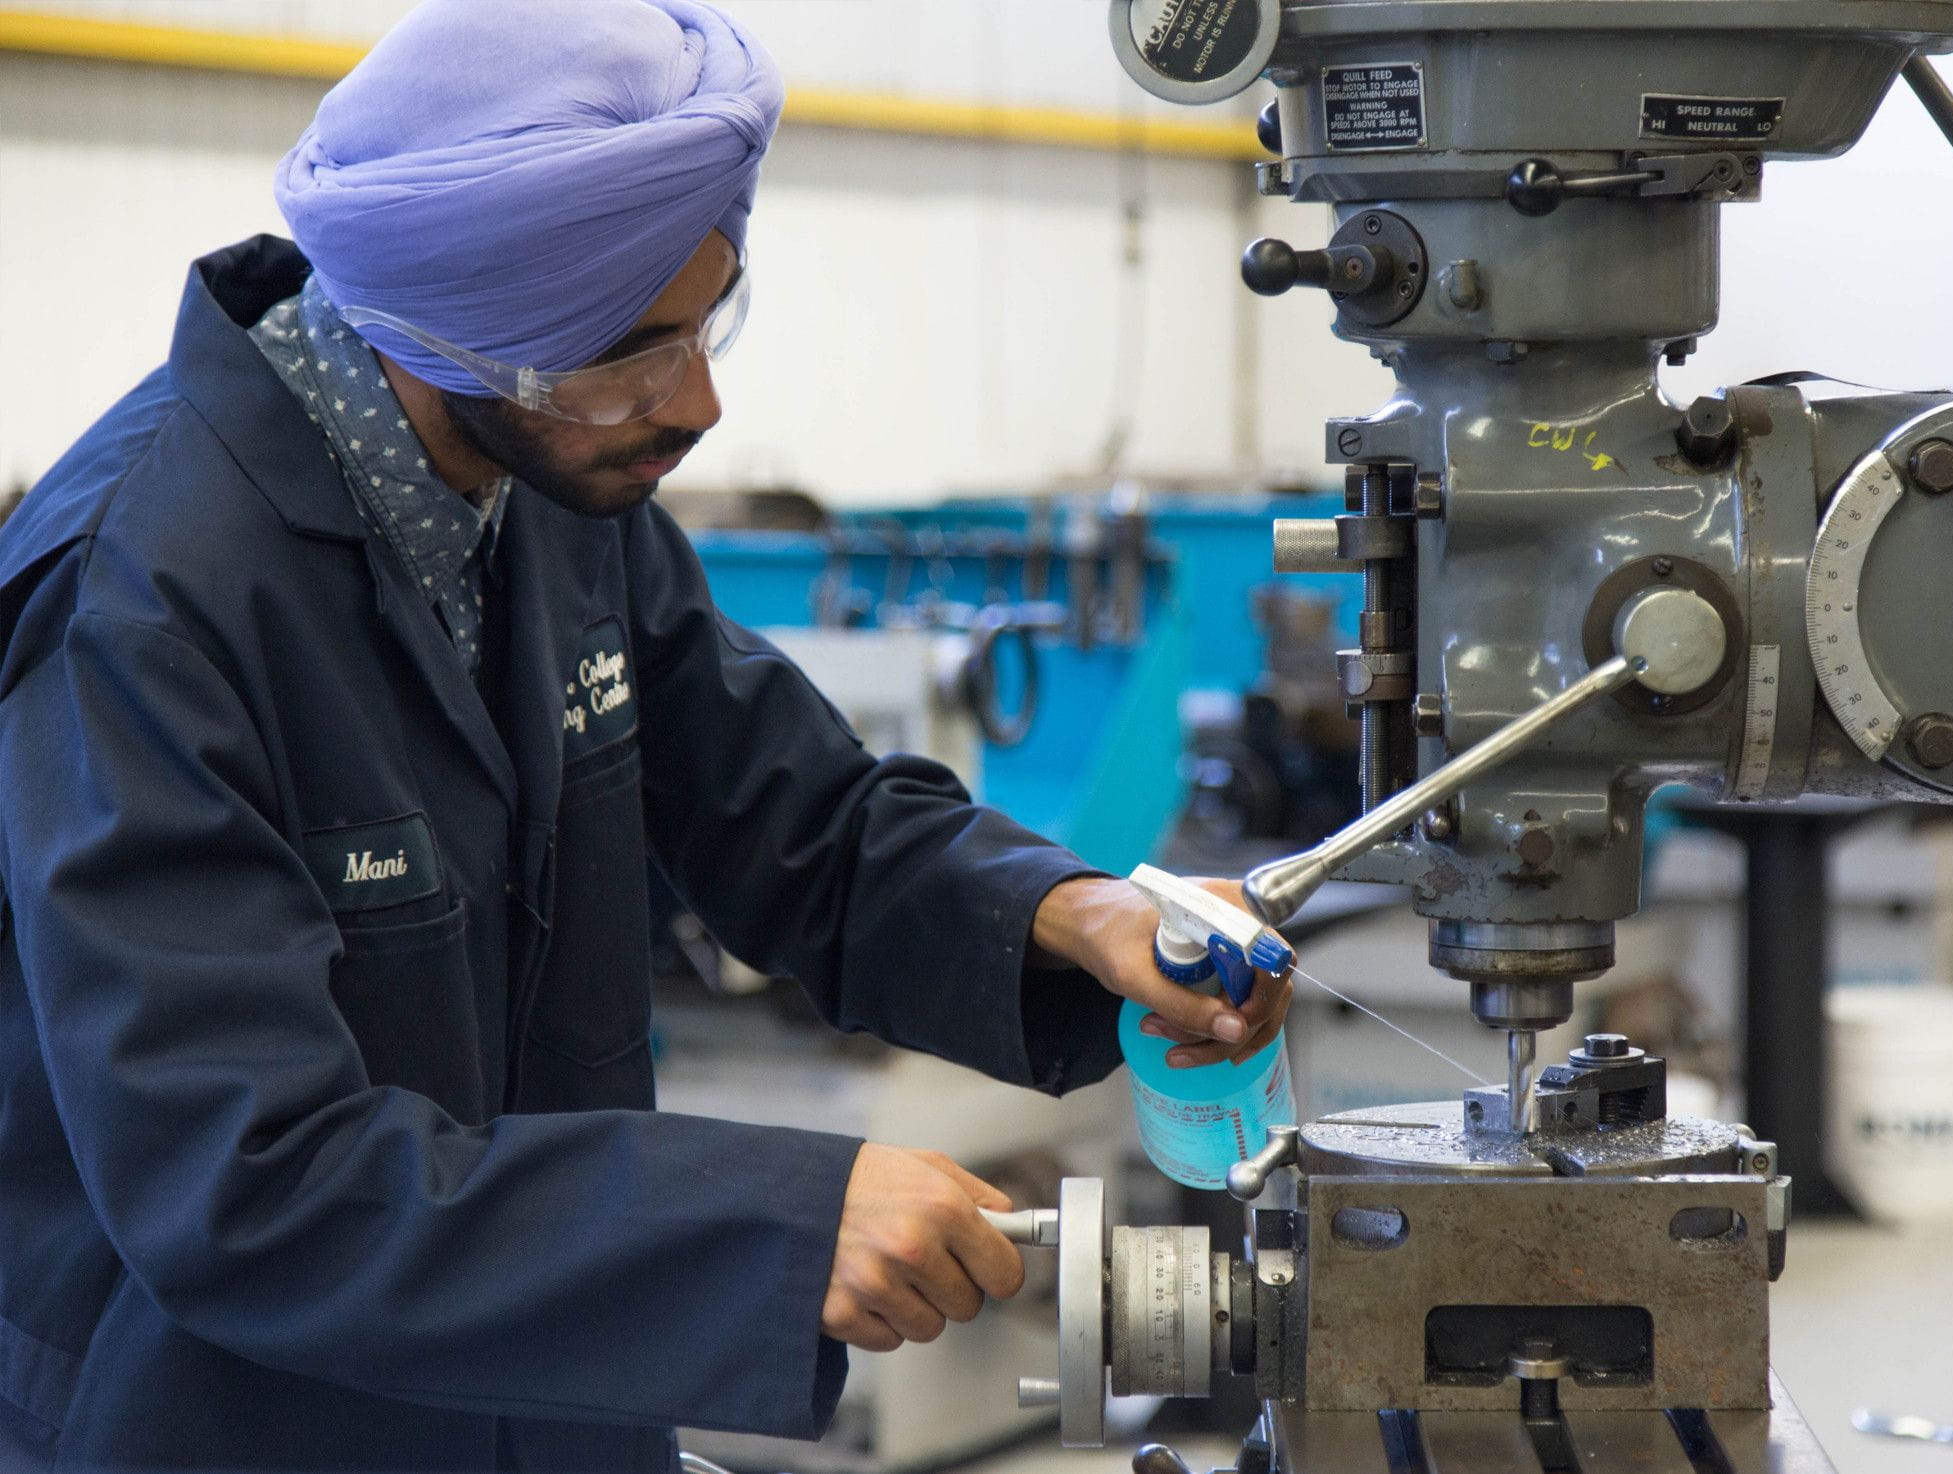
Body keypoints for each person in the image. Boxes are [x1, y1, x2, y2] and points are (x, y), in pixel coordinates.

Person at [0, 3, 1292, 1470]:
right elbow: (246, 1184)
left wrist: (1074, 914)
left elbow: (799, 819)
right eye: (634, 352)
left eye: (707, 318)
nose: (698, 401)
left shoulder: (544, 489)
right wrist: (786, 1225)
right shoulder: (145, 605)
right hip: (231, 1427)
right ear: (452, 331)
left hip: (553, 1414)